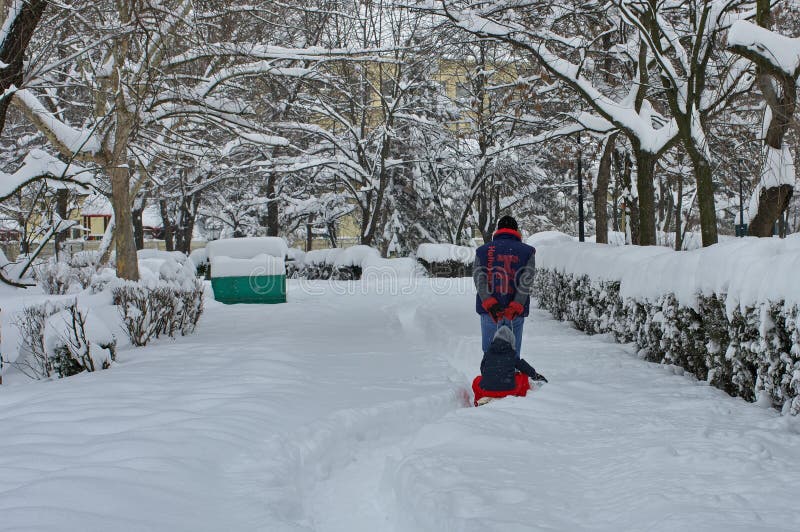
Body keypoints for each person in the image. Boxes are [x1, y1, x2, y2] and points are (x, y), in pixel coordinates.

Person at [472, 215, 546, 403]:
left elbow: (479, 279)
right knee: (512, 353)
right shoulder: (527, 252)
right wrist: (515, 305)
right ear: (516, 230)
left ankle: (489, 388)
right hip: (516, 312)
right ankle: (508, 390)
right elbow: (526, 281)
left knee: (490, 351)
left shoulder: (483, 251)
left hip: (490, 312)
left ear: (498, 230)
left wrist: (490, 303)